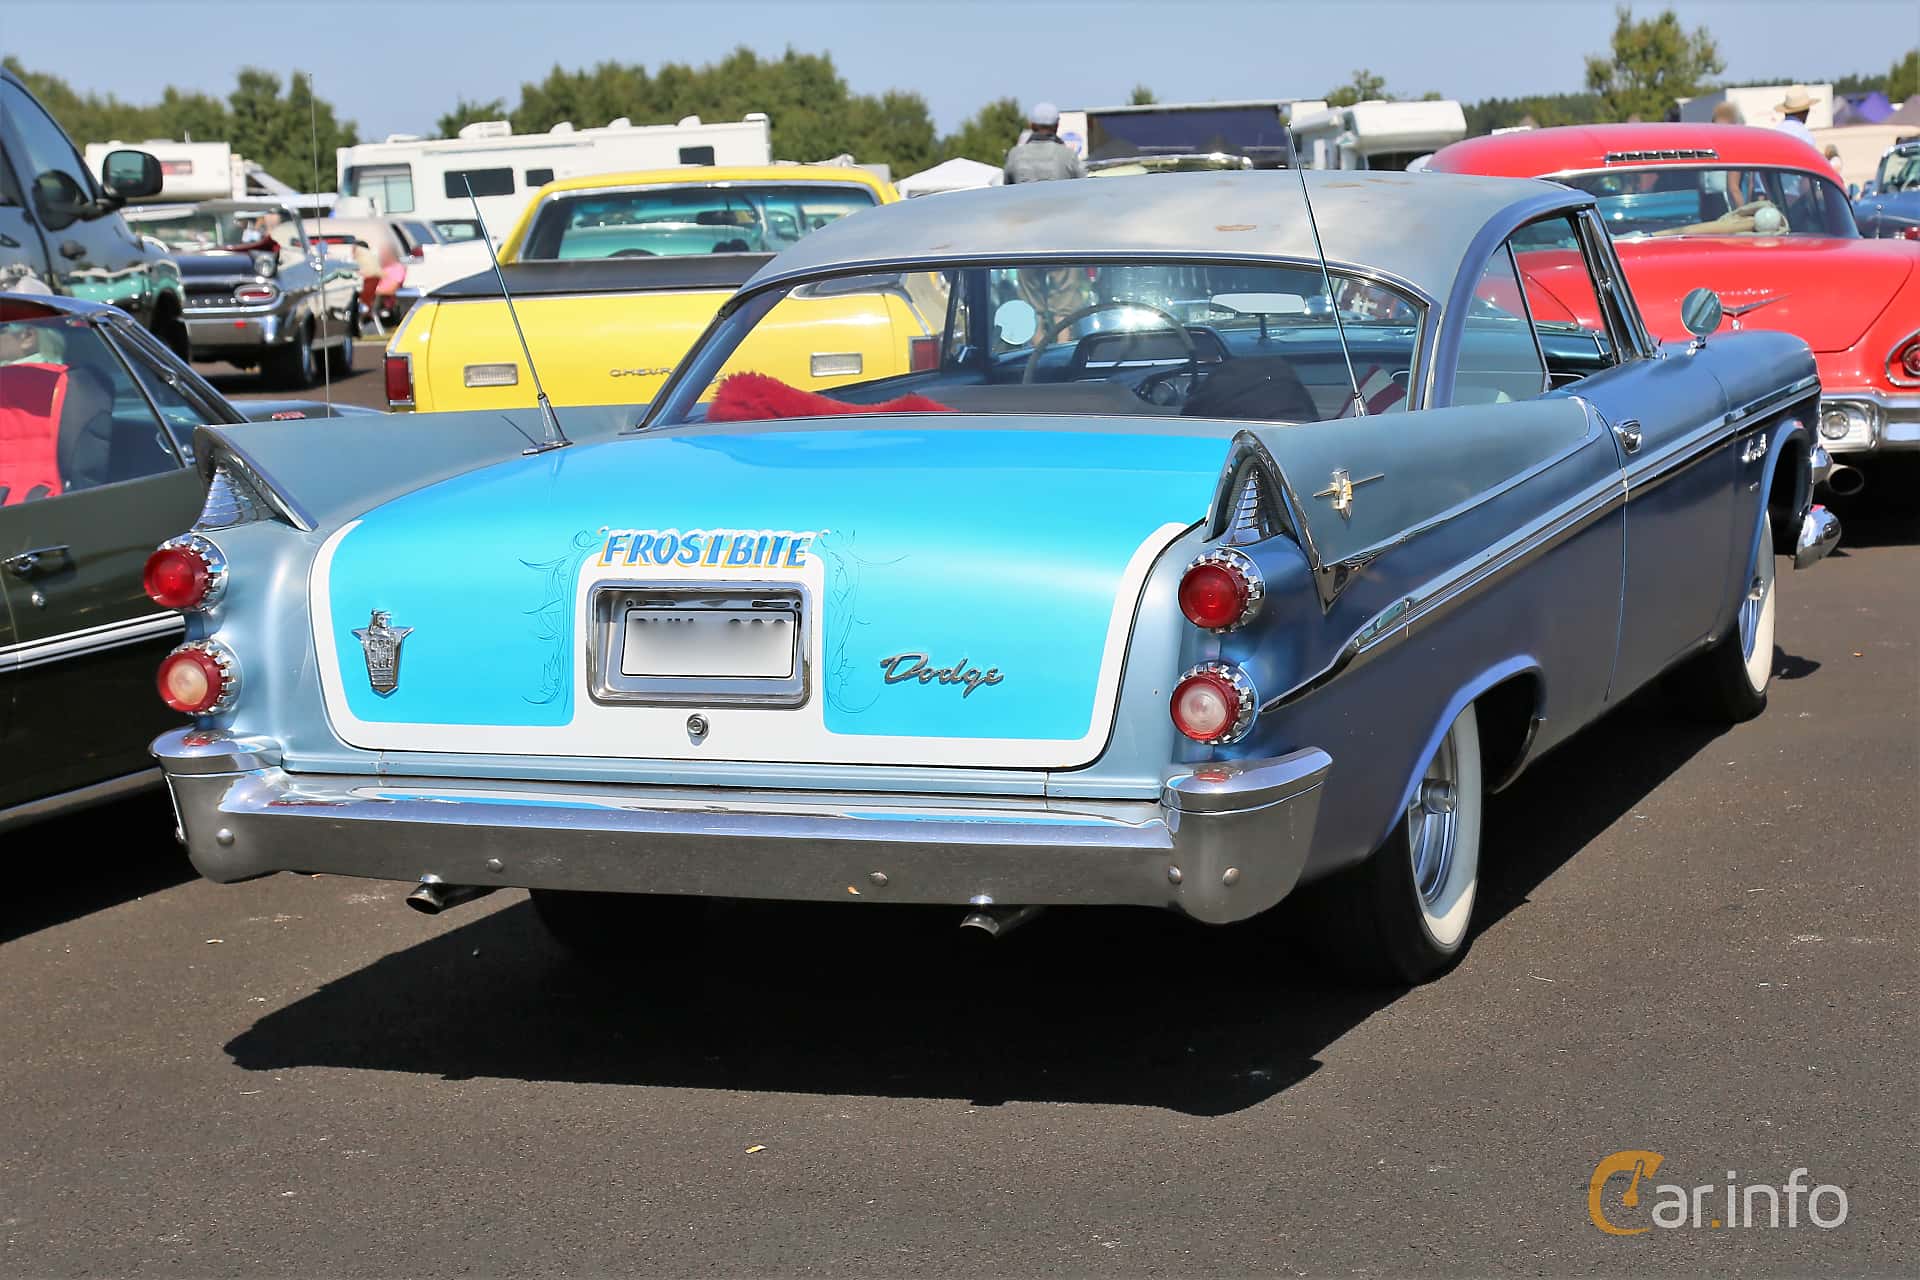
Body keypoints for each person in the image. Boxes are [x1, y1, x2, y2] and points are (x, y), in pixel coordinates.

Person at [1003, 102, 1085, 184]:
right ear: (1057, 126)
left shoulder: (1014, 155)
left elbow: (1007, 187)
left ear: (1031, 125)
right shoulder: (1069, 155)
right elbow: (1083, 185)